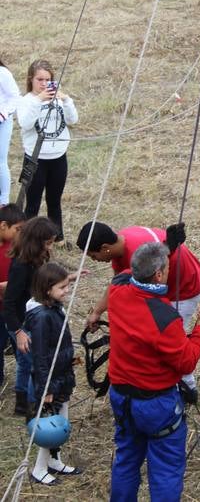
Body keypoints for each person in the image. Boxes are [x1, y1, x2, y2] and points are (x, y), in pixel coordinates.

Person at [107, 241, 200, 502]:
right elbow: (186, 362)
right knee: (165, 469)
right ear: (158, 275)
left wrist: (165, 245)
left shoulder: (116, 292)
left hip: (121, 397)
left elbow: (125, 275)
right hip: (156, 404)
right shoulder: (165, 318)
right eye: (166, 268)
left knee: (126, 459)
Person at [77, 220, 200, 397]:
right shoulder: (121, 244)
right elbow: (118, 283)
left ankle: (187, 387)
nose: (95, 260)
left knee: (175, 340)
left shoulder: (137, 254)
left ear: (105, 247)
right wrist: (97, 311)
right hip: (164, 287)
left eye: (93, 256)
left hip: (183, 289)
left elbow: (150, 296)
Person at [24, 261, 81, 485]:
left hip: (61, 376)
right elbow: (40, 357)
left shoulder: (54, 308)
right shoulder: (42, 317)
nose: (67, 290)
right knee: (52, 426)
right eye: (62, 287)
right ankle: (39, 469)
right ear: (48, 289)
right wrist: (46, 389)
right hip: (50, 381)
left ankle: (54, 460)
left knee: (61, 420)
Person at [16, 59, 78, 242]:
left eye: (47, 80)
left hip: (58, 158)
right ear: (31, 80)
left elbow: (73, 120)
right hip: (35, 159)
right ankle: (29, 240)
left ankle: (57, 237)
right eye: (39, 79)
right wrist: (38, 101)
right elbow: (25, 123)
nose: (44, 84)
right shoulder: (26, 101)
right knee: (33, 203)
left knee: (54, 201)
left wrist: (66, 100)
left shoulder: (58, 100)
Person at [4, 216, 59, 415]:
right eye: (48, 243)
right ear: (36, 242)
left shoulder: (38, 259)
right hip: (20, 323)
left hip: (31, 319)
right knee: (29, 363)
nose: (51, 247)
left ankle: (24, 402)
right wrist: (18, 331)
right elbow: (9, 302)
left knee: (27, 362)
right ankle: (27, 403)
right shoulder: (21, 266)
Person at [0, 204, 26, 388]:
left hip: (14, 310)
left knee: (22, 349)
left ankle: (25, 384)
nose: (20, 234)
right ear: (3, 225)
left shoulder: (16, 247)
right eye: (17, 229)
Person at [0, 57, 21, 206]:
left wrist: (4, 113)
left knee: (0, 160)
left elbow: (15, 96)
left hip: (2, 122)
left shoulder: (3, 73)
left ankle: (4, 201)